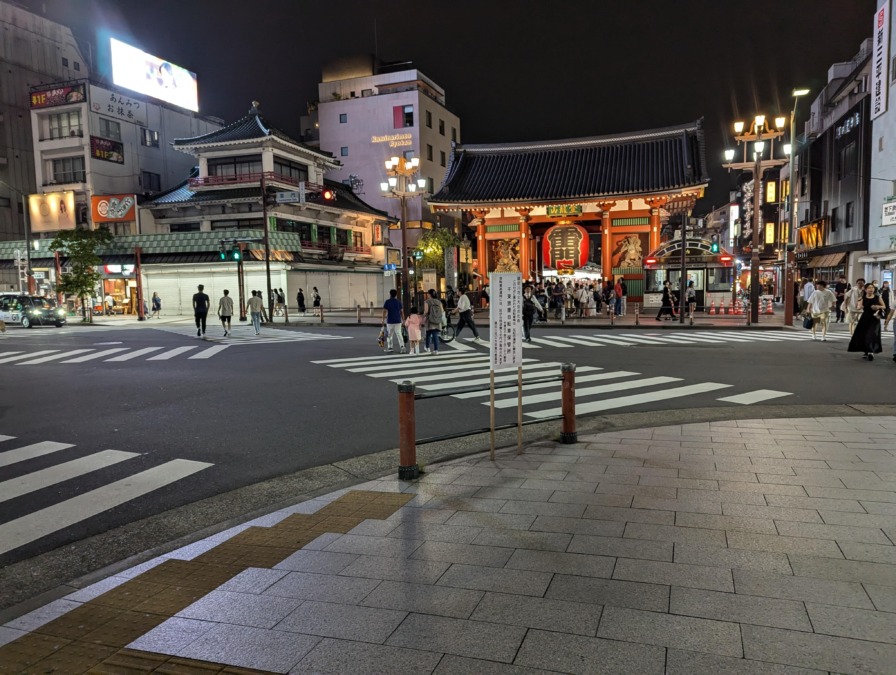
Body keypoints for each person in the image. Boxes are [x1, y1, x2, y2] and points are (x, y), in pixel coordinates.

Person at [847, 282, 886, 360]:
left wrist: (877, 306)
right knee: (864, 335)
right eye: (869, 288)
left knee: (872, 334)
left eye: (872, 288)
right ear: (865, 290)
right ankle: (866, 351)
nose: (871, 289)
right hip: (865, 318)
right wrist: (859, 306)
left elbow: (884, 306)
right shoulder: (862, 298)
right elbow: (858, 307)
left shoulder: (877, 297)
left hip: (874, 318)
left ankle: (871, 352)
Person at [381, 288, 405, 353]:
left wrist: (382, 320)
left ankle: (390, 347)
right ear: (396, 294)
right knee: (399, 334)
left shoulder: (387, 302)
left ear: (390, 294)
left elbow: (384, 311)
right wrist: (403, 320)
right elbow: (402, 312)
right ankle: (402, 347)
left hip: (390, 320)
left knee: (389, 335)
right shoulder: (398, 302)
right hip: (398, 320)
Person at [423, 289, 443, 354]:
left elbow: (426, 312)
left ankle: (428, 348)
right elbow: (442, 310)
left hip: (430, 320)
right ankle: (435, 349)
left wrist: (422, 317)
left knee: (428, 333)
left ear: (429, 294)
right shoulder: (438, 302)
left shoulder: (427, 302)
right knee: (435, 334)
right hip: (437, 320)